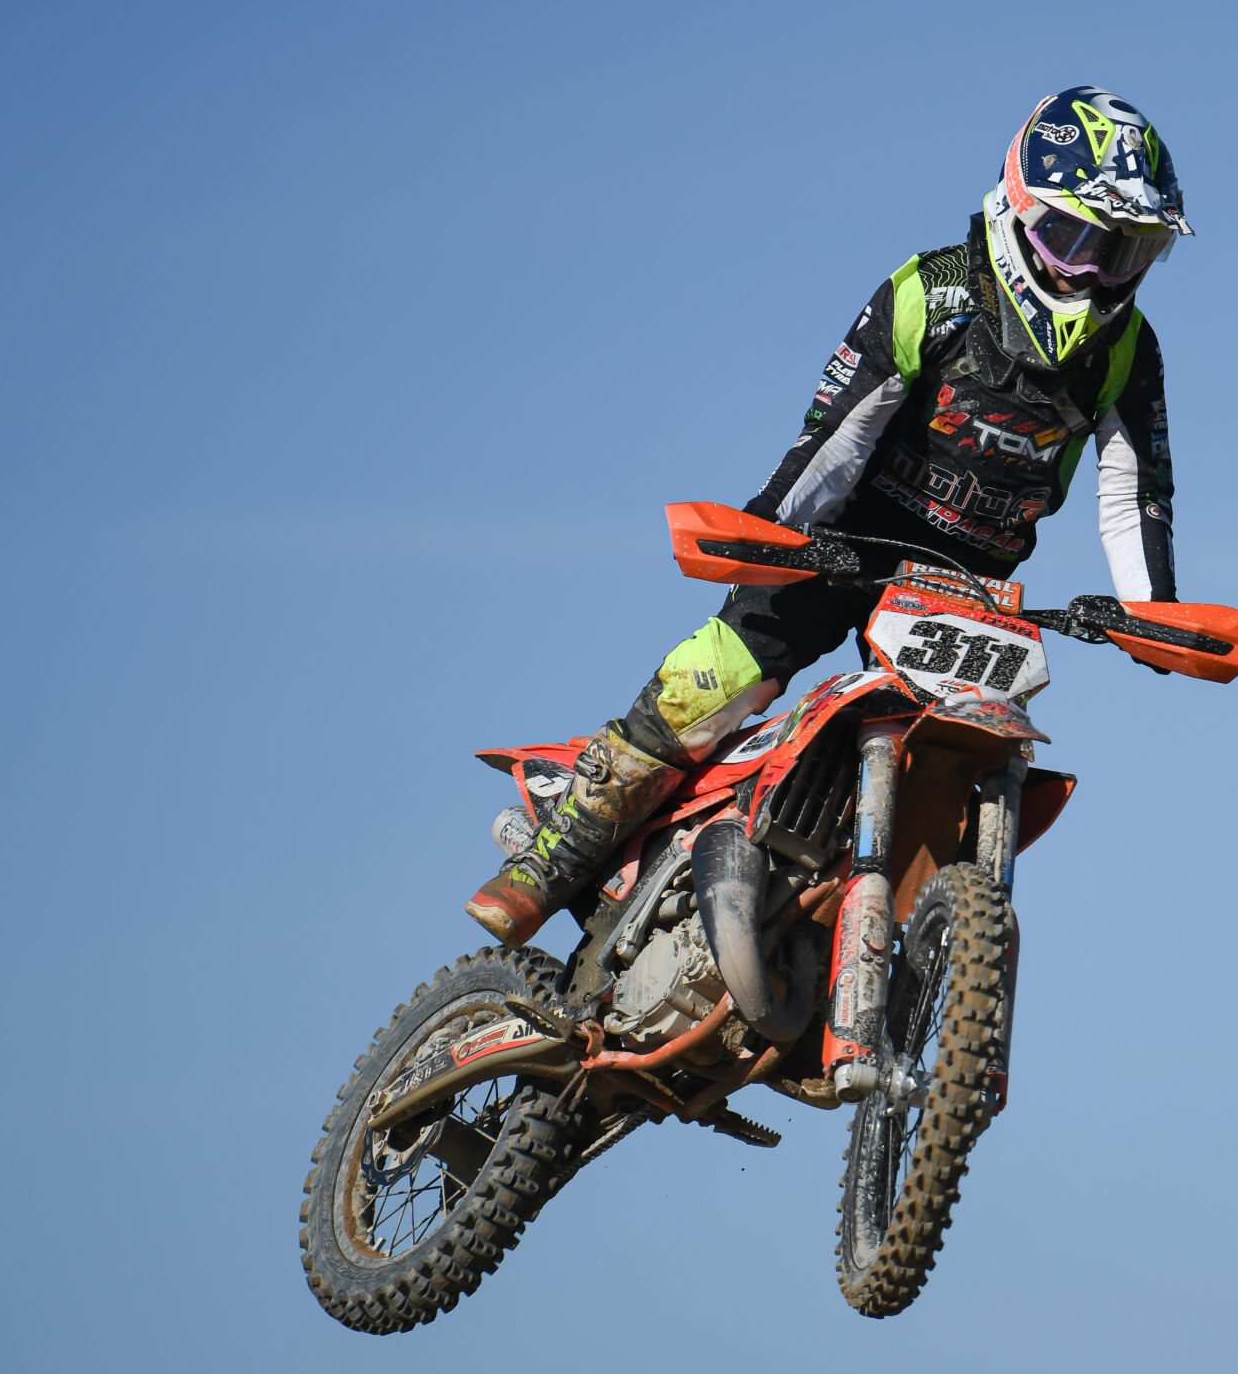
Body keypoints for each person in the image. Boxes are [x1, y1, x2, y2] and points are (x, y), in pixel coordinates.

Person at [465, 87, 1191, 945]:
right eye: (1074, 240)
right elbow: (834, 441)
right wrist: (773, 536)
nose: (1094, 272)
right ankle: (555, 858)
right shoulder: (933, 293)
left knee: (978, 753)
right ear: (1019, 212)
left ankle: (880, 942)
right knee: (721, 673)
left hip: (966, 587)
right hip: (844, 543)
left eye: (1125, 251)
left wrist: (1155, 615)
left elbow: (1134, 489)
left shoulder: (1130, 351)